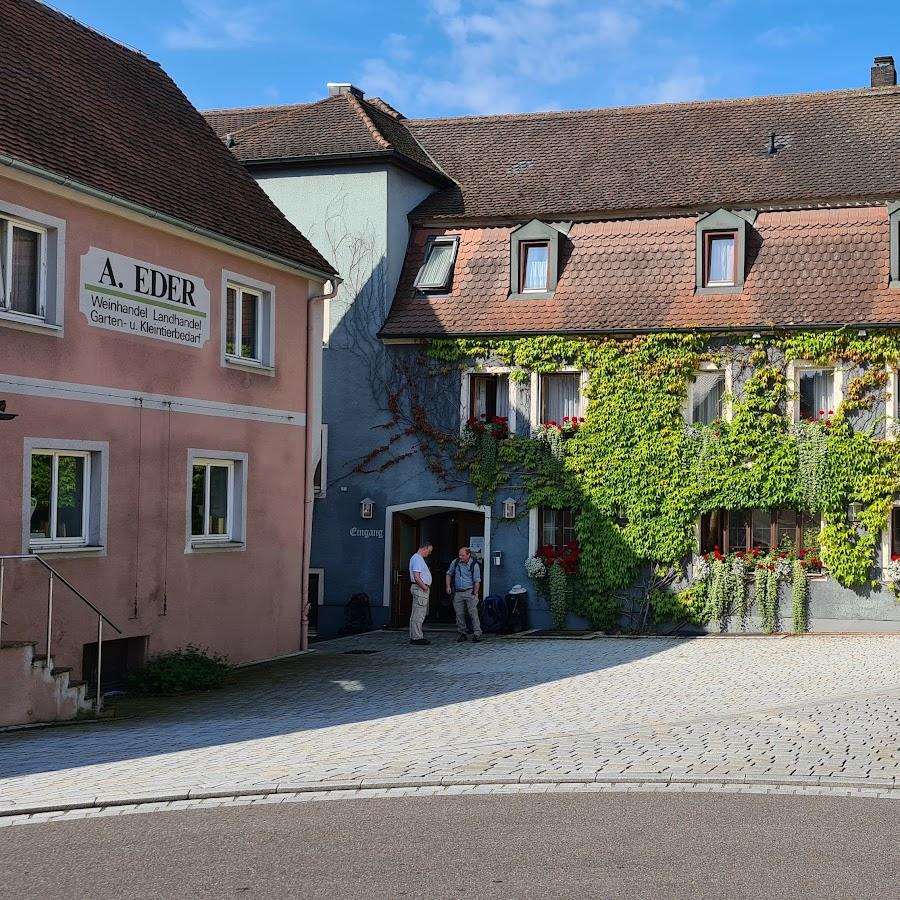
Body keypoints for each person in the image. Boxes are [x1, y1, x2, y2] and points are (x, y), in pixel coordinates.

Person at [446, 546, 482, 643]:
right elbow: (449, 574)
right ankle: (462, 633)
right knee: (459, 614)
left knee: (473, 613)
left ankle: (477, 633)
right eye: (459, 555)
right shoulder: (456, 562)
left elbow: (477, 581)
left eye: (462, 555)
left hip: (469, 591)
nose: (460, 557)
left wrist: (476, 594)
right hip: (458, 592)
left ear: (468, 555)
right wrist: (448, 586)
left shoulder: (474, 565)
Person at [408, 541, 433, 646]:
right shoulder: (418, 559)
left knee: (416, 613)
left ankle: (414, 636)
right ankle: (417, 637)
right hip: (420, 589)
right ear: (425, 548)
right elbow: (417, 576)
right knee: (419, 614)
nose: (429, 553)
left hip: (419, 588)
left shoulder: (416, 558)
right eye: (429, 551)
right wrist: (424, 587)